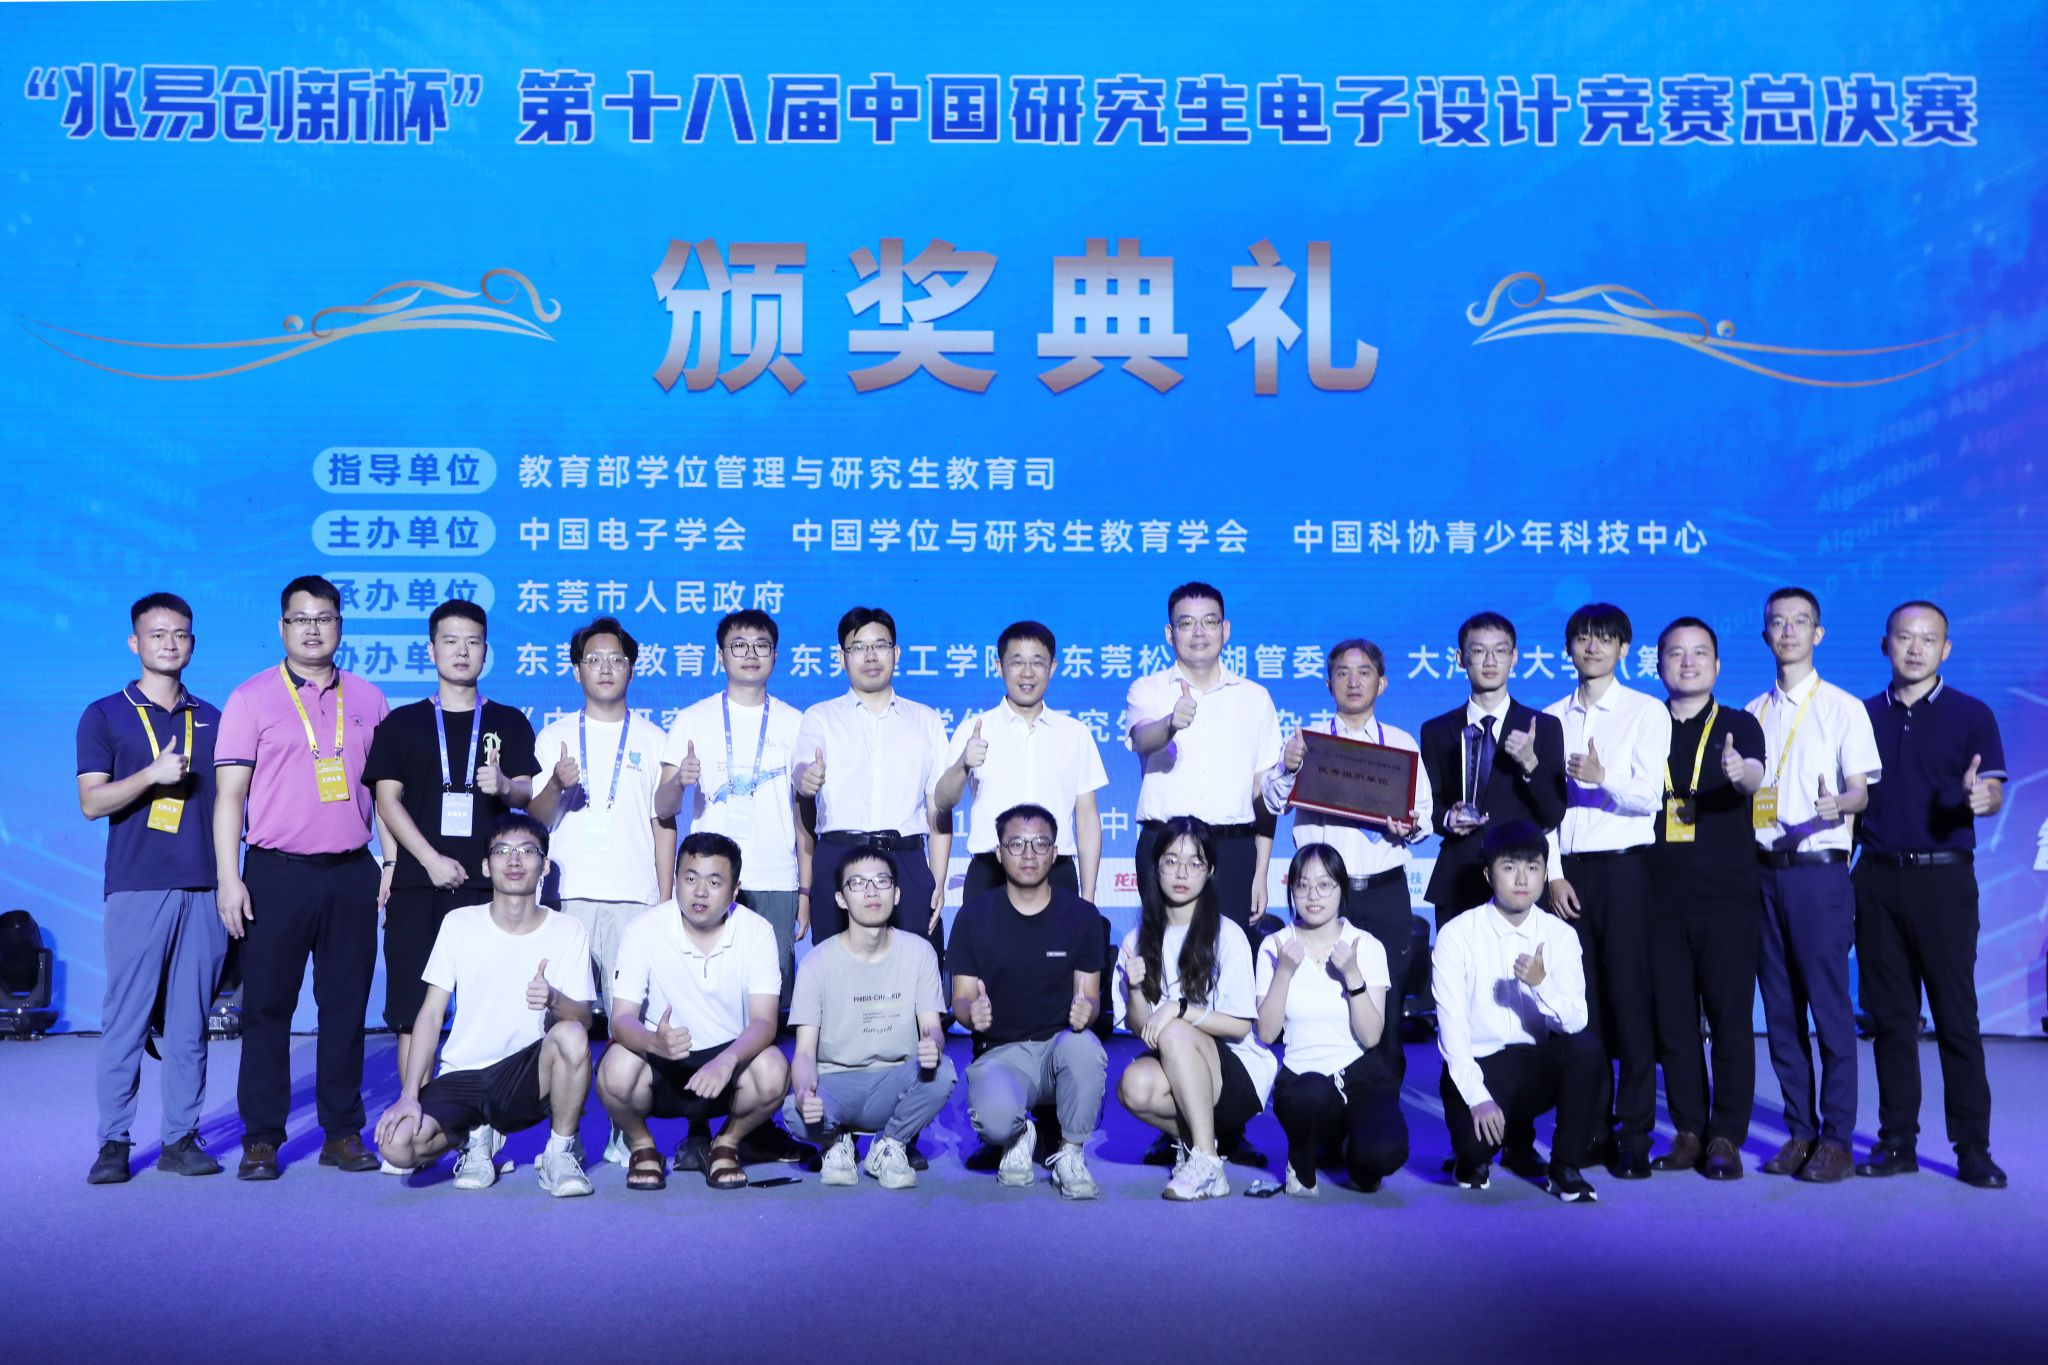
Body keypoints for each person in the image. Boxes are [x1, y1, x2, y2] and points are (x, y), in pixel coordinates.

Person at [213, 575, 391, 1180]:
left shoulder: (368, 698)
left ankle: (342, 1132)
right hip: (275, 874)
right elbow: (229, 797)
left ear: (340, 625)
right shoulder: (251, 698)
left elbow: (384, 796)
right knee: (267, 1010)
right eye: (301, 619)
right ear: (282, 627)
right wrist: (229, 878)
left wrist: (391, 863)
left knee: (345, 1008)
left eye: (325, 618)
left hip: (351, 873)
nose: (313, 629)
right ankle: (262, 1138)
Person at [361, 598, 537, 1170]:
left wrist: (504, 785)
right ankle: (415, 1113)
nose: (463, 651)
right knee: (414, 1009)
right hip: (420, 885)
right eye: (451, 641)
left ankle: (483, 1127)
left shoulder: (508, 721)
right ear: (431, 649)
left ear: (487, 651)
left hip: (492, 889)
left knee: (493, 1010)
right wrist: (428, 860)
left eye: (474, 642)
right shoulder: (402, 723)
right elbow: (387, 800)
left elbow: (525, 794)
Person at [1853, 601, 2008, 1189]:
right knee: (1891, 1021)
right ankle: (1897, 1141)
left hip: (1944, 880)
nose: (1915, 648)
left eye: (1928, 639)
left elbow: (1991, 788)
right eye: (1904, 637)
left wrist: (1984, 799)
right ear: (1885, 644)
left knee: (1956, 1017)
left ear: (1945, 649)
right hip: (1876, 879)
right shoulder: (1860, 716)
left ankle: (1972, 1148)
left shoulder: (1973, 713)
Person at [78, 592, 228, 1184]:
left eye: (180, 634)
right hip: (137, 885)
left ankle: (179, 1138)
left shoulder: (214, 717)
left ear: (193, 643)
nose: (170, 643)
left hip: (205, 886)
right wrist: (151, 775)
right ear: (134, 643)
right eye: (158, 633)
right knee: (127, 1019)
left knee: (191, 1023)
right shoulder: (104, 714)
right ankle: (113, 1143)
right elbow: (92, 802)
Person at [372, 814, 597, 1197]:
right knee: (397, 1145)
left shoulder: (568, 929)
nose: (514, 860)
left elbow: (585, 1020)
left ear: (544, 865)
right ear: (485, 866)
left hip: (525, 1076)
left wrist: (554, 999)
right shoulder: (459, 923)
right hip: (462, 1075)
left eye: (527, 851)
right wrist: (409, 1094)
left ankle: (560, 1152)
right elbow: (431, 1014)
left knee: (571, 1034)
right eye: (502, 851)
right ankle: (474, 1136)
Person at [1747, 587, 1880, 1184]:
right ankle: (1800, 1132)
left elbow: (1861, 791)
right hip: (1762, 875)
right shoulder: (1751, 713)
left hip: (1818, 874)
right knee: (1780, 1012)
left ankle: (1837, 1139)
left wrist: (1838, 805)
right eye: (1778, 623)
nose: (1789, 631)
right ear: (1765, 635)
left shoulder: (1843, 707)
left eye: (1800, 622)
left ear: (1817, 634)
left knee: (1828, 1009)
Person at [1541, 604, 1672, 1178]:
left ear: (1624, 648)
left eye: (1604, 639)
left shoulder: (1645, 711)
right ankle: (1589, 1126)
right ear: (1568, 648)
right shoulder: (1550, 718)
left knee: (1629, 1001)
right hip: (1568, 873)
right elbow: (1543, 809)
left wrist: (1602, 779)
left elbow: (1649, 797)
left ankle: (1635, 1132)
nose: (1592, 647)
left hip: (1625, 869)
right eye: (1582, 638)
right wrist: (1552, 874)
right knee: (1580, 1004)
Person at [1262, 638, 1429, 1060]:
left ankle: (1380, 1097)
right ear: (1328, 683)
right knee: (1322, 1000)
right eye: (1342, 673)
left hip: (1384, 891)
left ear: (1382, 683)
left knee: (1386, 1008)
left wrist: (1409, 826)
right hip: (1324, 895)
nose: (1353, 682)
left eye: (1364, 673)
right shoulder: (1308, 742)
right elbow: (1274, 802)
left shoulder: (1401, 744)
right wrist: (1289, 766)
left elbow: (1424, 817)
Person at [596, 832, 789, 1191]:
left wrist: (728, 1060)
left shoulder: (757, 932)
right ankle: (642, 1145)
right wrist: (654, 1042)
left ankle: (726, 1143)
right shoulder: (643, 930)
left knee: (774, 1070)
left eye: (714, 882)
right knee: (614, 1070)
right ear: (675, 881)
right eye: (690, 878)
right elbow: (621, 1019)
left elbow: (765, 1022)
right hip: (664, 1060)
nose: (700, 892)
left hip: (728, 1064)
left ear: (734, 890)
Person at [1646, 618, 1766, 1181]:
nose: (1688, 662)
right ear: (1658, 665)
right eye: (1676, 653)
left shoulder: (1740, 724)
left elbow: (1754, 777)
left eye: (1699, 653)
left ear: (1717, 665)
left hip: (1727, 900)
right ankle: (1689, 1131)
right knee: (1674, 1022)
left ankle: (1726, 1136)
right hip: (1658, 899)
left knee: (1729, 1020)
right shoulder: (1644, 724)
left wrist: (1741, 773)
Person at [1432, 820, 1602, 1202]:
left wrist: (1541, 985)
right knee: (1475, 1153)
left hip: (1532, 1066)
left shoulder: (1560, 935)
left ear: (1545, 873)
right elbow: (1451, 1030)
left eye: (1533, 867)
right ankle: (1471, 1155)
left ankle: (1565, 1167)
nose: (1522, 879)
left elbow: (1577, 1019)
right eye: (1509, 867)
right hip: (1478, 1066)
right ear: (1488, 875)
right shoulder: (1456, 935)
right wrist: (1477, 1097)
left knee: (1586, 1049)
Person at [947, 803, 1105, 1199]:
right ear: (999, 854)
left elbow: (1089, 996)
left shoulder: (1082, 917)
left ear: (1056, 852)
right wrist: (971, 1014)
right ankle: (1018, 1135)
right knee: (996, 1121)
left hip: (1058, 1048)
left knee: (1086, 1050)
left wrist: (1087, 1010)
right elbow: (961, 999)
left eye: (1040, 844)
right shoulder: (973, 917)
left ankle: (1071, 1153)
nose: (1029, 854)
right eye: (1016, 844)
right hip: (1001, 1053)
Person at [1114, 816, 1276, 1201]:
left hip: (1237, 1076)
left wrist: (1179, 1008)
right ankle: (1201, 1144)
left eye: (1195, 862)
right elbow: (1141, 1027)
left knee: (1174, 1029)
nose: (1182, 873)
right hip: (1178, 1064)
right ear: (1156, 867)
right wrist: (1135, 988)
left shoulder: (1228, 934)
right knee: (1132, 1086)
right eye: (1171, 861)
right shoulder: (1137, 939)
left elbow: (1240, 1027)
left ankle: (1206, 1160)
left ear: (1211, 871)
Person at [656, 609, 805, 1015]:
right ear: (720, 655)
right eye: (739, 645)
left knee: (770, 1003)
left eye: (761, 646)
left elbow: (803, 818)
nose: (750, 654)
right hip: (709, 879)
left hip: (775, 879)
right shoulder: (692, 719)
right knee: (706, 996)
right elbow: (663, 807)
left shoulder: (796, 723)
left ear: (775, 656)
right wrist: (678, 780)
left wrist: (805, 891)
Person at [784, 845, 956, 1189]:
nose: (871, 891)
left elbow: (932, 1029)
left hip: (895, 1080)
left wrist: (933, 1045)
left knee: (943, 1072)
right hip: (837, 1082)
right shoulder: (817, 963)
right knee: (794, 1111)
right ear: (840, 899)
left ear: (897, 893)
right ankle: (836, 1143)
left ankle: (890, 1144)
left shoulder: (920, 952)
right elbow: (803, 1054)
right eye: (858, 883)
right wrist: (804, 1092)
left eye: (881, 881)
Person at [528, 616, 673, 1013]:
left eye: (617, 659)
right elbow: (536, 821)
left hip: (635, 900)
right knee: (562, 1020)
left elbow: (662, 825)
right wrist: (556, 785)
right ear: (577, 671)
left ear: (632, 669)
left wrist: (664, 899)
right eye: (594, 660)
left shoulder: (655, 739)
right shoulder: (553, 737)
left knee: (631, 1021)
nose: (606, 668)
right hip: (566, 896)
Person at [1125, 582, 1283, 935]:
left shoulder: (1255, 698)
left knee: (1230, 956)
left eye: (1209, 622)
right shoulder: (1148, 688)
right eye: (1186, 623)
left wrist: (1260, 872)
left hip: (1233, 849)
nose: (1199, 632)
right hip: (1164, 846)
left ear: (1225, 630)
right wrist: (1170, 723)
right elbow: (1142, 739)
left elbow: (1263, 794)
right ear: (1170, 634)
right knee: (1161, 954)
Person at [793, 606, 950, 953]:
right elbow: (801, 773)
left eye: (880, 645)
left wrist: (937, 879)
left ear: (896, 653)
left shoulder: (926, 720)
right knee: (835, 969)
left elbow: (938, 808)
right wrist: (807, 778)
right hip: (839, 856)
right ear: (842, 657)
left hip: (906, 859)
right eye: (858, 647)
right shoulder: (820, 717)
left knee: (914, 967)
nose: (870, 656)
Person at [1255, 843, 1408, 1197]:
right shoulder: (1275, 946)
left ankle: (1349, 1149)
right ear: (1291, 889)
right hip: (1303, 1079)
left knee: (1384, 1154)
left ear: (1341, 888)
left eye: (1325, 885)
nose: (1313, 895)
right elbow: (1267, 1033)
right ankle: (1303, 1156)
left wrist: (1353, 975)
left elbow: (1371, 1037)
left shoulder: (1366, 945)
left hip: (1361, 1075)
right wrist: (1284, 972)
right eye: (1303, 885)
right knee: (1310, 1095)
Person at [937, 620, 1109, 905]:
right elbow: (943, 800)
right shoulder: (973, 729)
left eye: (1037, 662)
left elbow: (1087, 818)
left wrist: (1088, 894)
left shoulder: (1075, 733)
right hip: (990, 871)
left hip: (1056, 870)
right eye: (1016, 662)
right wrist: (963, 763)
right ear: (999, 666)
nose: (1027, 672)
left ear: (1052, 668)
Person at [1419, 612, 1568, 929]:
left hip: (1520, 881)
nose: (1490, 661)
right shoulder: (1436, 730)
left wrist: (1530, 765)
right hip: (1459, 878)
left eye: (1500, 651)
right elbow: (1427, 805)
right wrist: (1447, 819)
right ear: (1461, 659)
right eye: (1478, 651)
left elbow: (1554, 813)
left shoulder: (1544, 727)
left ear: (1514, 658)